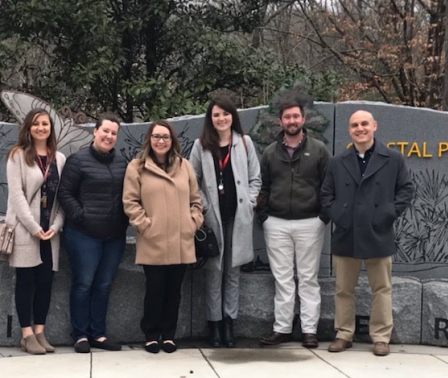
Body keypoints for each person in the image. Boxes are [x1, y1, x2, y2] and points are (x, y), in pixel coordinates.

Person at [320, 109, 415, 357]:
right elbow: (326, 195)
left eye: (364, 124)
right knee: (343, 289)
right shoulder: (337, 161)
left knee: (382, 288)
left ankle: (381, 337)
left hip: (378, 232)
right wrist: (339, 216)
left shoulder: (393, 158)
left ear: (374, 126)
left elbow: (406, 190)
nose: (359, 128)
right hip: (346, 233)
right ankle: (343, 333)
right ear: (349, 130)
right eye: (354, 125)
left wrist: (387, 214)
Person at [256, 97, 331, 348]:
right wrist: (264, 217)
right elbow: (263, 186)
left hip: (310, 222)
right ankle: (282, 329)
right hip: (276, 223)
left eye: (295, 116)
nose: (291, 121)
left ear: (303, 119)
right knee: (282, 279)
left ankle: (310, 330)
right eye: (287, 117)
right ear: (281, 121)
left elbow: (327, 186)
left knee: (308, 278)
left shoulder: (318, 149)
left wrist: (323, 217)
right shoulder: (269, 152)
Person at [123, 121, 203, 353]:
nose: (161, 141)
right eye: (157, 136)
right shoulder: (136, 167)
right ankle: (151, 334)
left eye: (166, 137)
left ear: (172, 141)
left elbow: (196, 200)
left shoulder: (184, 166)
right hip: (153, 241)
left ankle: (169, 335)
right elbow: (130, 202)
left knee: (174, 291)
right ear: (149, 139)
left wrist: (192, 222)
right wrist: (145, 226)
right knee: (155, 289)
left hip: (181, 240)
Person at [189, 94, 261, 348]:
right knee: (214, 272)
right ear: (210, 118)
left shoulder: (245, 143)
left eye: (225, 114)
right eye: (216, 114)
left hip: (238, 217)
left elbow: (256, 178)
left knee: (233, 272)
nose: (221, 118)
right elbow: (192, 180)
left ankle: (229, 322)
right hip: (212, 219)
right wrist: (204, 206)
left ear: (233, 116)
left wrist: (250, 202)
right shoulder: (201, 145)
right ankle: (214, 324)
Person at [57, 115, 129, 353]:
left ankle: (98, 334)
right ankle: (80, 335)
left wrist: (124, 220)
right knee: (84, 284)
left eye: (113, 133)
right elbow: (65, 193)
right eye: (105, 131)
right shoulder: (77, 160)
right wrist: (81, 215)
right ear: (95, 132)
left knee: (104, 285)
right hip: (83, 234)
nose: (109, 136)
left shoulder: (122, 162)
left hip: (114, 236)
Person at [5, 109, 66, 355]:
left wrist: (55, 226)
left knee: (45, 283)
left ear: (50, 128)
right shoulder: (17, 156)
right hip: (25, 230)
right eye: (36, 124)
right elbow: (17, 195)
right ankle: (26, 334)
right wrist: (34, 227)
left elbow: (63, 197)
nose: (41, 127)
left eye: (45, 123)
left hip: (50, 233)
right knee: (26, 282)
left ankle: (40, 331)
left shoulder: (59, 158)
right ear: (28, 128)